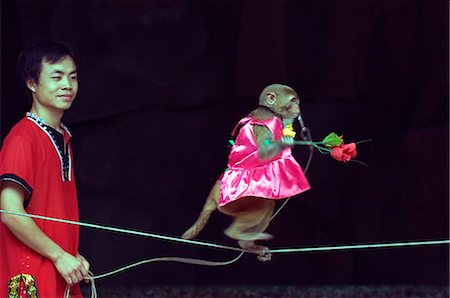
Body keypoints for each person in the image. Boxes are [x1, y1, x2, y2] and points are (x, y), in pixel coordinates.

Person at [0, 40, 90, 297]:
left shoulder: (63, 137)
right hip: (29, 278)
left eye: (72, 77)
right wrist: (60, 255)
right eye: (57, 76)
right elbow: (10, 212)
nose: (67, 85)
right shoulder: (22, 139)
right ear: (32, 83)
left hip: (59, 270)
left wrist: (72, 255)